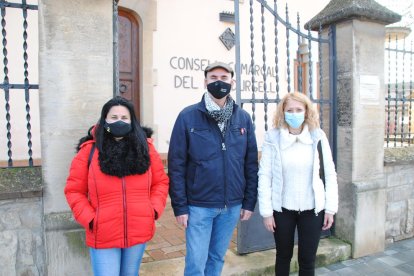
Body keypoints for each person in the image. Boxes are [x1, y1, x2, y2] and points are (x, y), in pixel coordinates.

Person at [168, 61, 259, 276]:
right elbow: (176, 164)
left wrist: (249, 201)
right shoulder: (187, 116)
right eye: (214, 78)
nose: (219, 82)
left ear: (232, 82)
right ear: (205, 82)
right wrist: (180, 206)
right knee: (196, 263)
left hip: (232, 205)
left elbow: (250, 163)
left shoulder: (243, 118)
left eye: (224, 78)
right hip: (199, 205)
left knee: (217, 257)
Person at [64, 96, 169, 276]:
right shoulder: (89, 150)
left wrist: (153, 210)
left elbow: (160, 182)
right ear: (104, 120)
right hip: (103, 231)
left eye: (124, 118)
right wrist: (90, 219)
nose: (119, 121)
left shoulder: (145, 148)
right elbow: (74, 191)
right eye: (113, 117)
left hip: (138, 228)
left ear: (132, 121)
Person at [257, 92, 338, 276]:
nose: (294, 114)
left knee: (307, 261)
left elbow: (330, 174)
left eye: (299, 109)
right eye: (290, 110)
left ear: (307, 111)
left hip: (312, 210)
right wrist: (267, 212)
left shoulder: (317, 136)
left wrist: (330, 209)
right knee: (283, 256)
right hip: (282, 210)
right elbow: (265, 175)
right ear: (283, 112)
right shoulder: (273, 137)